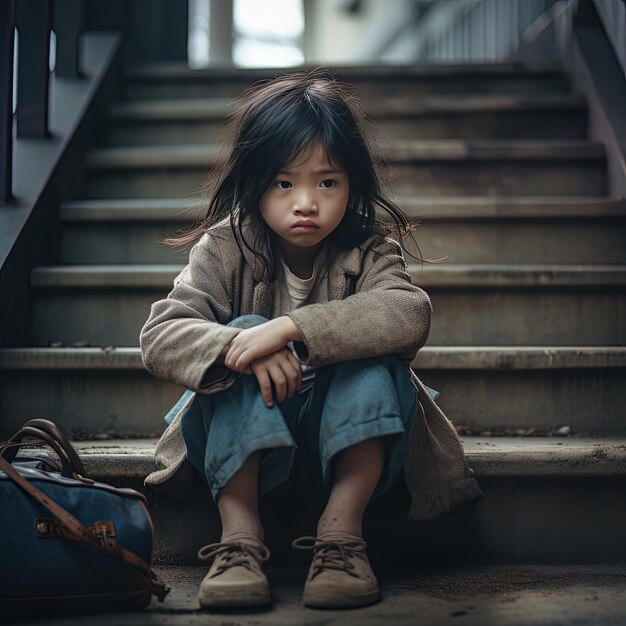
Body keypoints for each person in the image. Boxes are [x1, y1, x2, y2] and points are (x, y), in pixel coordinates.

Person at [140, 70, 483, 611]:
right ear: (255, 182)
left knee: (368, 354)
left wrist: (294, 329)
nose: (306, 202)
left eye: (327, 182)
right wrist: (244, 345)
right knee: (243, 337)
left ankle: (342, 538)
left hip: (348, 435)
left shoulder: (368, 247)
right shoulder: (225, 246)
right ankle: (239, 540)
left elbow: (408, 313)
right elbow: (161, 334)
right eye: (284, 182)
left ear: (352, 185)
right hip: (243, 435)